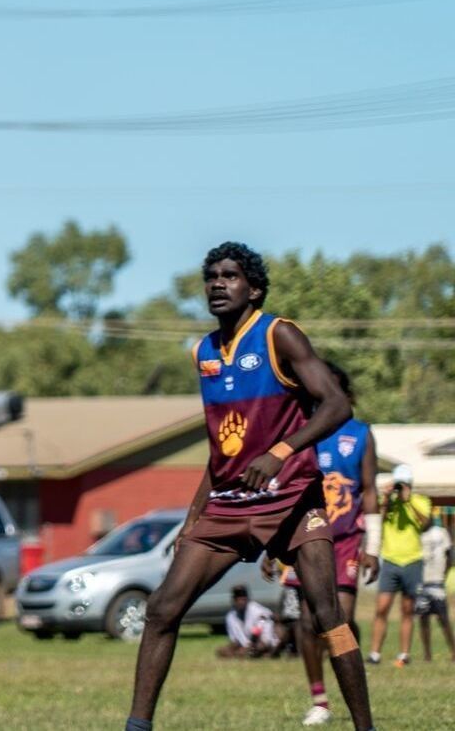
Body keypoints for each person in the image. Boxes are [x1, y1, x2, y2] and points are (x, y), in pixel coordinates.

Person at [126, 243, 374, 731]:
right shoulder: (203, 352)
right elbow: (221, 449)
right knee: (161, 610)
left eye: (230, 276)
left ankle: (365, 727)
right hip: (230, 504)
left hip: (294, 501)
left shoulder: (279, 335)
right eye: (211, 276)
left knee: (328, 615)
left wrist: (281, 451)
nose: (218, 284)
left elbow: (336, 405)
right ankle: (137, 727)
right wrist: (194, 517)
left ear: (254, 288)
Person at [260, 362, 380, 725]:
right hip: (303, 533)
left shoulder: (360, 434)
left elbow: (371, 490)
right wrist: (269, 544)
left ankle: (352, 676)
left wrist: (373, 545)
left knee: (336, 615)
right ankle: (320, 700)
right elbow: (278, 491)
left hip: (345, 539)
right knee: (308, 619)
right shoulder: (296, 434)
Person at [368, 464, 433, 667]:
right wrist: (387, 498)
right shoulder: (389, 502)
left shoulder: (421, 501)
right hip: (390, 560)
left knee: (407, 609)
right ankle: (375, 654)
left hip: (412, 560)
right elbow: (378, 517)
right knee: (382, 608)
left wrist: (409, 501)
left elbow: (425, 523)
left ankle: (404, 654)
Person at [415, 515, 453, 663]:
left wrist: (444, 574)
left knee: (443, 618)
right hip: (421, 582)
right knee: (423, 619)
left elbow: (449, 555)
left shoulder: (441, 532)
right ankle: (427, 655)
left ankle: (453, 652)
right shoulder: (417, 534)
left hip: (437, 582)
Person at [218, 586, 281, 658]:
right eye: (238, 600)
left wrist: (249, 648)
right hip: (247, 645)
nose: (241, 602)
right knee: (222, 651)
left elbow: (265, 639)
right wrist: (233, 647)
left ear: (247, 599)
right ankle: (242, 655)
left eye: (243, 599)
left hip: (263, 642)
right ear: (234, 601)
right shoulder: (231, 616)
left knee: (249, 651)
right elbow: (235, 640)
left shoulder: (257, 611)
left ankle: (264, 654)